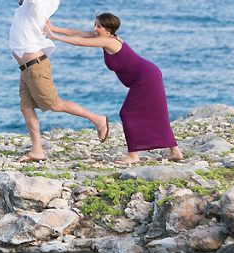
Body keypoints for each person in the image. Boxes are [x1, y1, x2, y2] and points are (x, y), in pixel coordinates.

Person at [10, 0, 109, 163]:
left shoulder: (32, 5)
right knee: (27, 108)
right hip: (26, 70)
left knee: (55, 105)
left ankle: (97, 118)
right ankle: (37, 150)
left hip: (35, 68)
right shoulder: (42, 8)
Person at [44, 13, 184, 164]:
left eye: (98, 26)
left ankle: (133, 155)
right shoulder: (106, 38)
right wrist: (54, 28)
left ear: (108, 29)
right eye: (95, 24)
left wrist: (55, 37)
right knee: (156, 113)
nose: (94, 28)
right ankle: (175, 152)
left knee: (127, 113)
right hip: (148, 74)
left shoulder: (109, 41)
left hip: (146, 78)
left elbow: (80, 42)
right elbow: (79, 33)